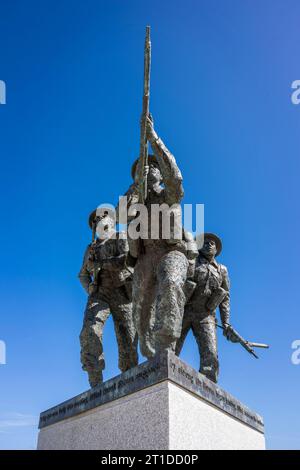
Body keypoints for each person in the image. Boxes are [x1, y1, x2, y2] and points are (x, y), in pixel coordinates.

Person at [78, 209, 138, 387]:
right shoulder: (91, 248)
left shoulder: (120, 237)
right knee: (89, 331)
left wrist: (101, 263)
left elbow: (125, 260)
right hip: (100, 294)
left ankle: (130, 378)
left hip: (123, 292)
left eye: (104, 218)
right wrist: (89, 287)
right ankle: (95, 381)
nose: (99, 222)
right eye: (96, 221)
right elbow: (82, 274)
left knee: (127, 337)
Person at [175, 233, 231, 383]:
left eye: (211, 243)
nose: (208, 244)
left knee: (211, 355)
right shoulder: (190, 261)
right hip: (184, 310)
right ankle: (164, 378)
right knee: (170, 345)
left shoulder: (222, 270)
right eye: (205, 242)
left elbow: (225, 297)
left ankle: (207, 389)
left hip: (206, 315)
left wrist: (226, 322)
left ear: (216, 249)